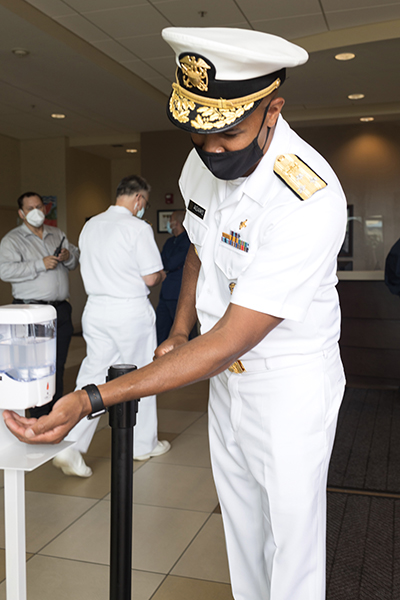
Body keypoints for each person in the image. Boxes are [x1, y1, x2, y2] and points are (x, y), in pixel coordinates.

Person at [4, 28, 347, 600]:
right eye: (199, 132)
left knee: (291, 539)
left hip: (288, 381)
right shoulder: (202, 164)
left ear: (273, 109)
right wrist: (181, 327)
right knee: (241, 525)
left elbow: (237, 335)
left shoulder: (306, 197)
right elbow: (196, 248)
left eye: (228, 133)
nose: (212, 150)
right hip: (227, 380)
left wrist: (90, 399)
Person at [52, 175, 171, 477]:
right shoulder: (138, 228)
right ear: (139, 200)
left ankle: (71, 445)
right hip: (129, 310)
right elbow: (150, 277)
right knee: (142, 375)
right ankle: (142, 445)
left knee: (92, 375)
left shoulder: (90, 225)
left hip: (96, 309)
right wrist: (161, 275)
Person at [0, 191, 79, 418]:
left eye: (39, 207)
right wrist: (39, 264)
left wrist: (67, 256)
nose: (37, 211)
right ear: (21, 213)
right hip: (30, 311)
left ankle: (54, 412)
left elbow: (75, 259)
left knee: (58, 364)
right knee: (33, 367)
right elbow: (5, 271)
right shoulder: (12, 240)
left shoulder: (57, 233)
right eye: (30, 208)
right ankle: (35, 416)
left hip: (60, 309)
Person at [156, 209, 197, 344]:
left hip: (179, 295)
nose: (169, 223)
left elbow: (171, 262)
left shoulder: (188, 241)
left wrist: (167, 264)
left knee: (183, 335)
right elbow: (160, 262)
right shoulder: (169, 242)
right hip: (165, 295)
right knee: (161, 333)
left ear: (177, 222)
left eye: (171, 220)